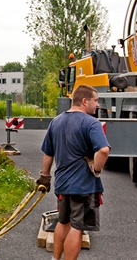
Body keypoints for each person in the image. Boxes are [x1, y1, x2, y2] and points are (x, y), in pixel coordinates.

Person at [36, 85, 111, 260]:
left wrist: (44, 177)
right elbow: (103, 151)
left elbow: (48, 153)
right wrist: (97, 169)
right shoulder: (91, 123)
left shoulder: (56, 121)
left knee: (62, 222)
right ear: (85, 101)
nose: (98, 105)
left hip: (62, 185)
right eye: (95, 100)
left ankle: (55, 259)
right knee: (77, 227)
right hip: (83, 186)